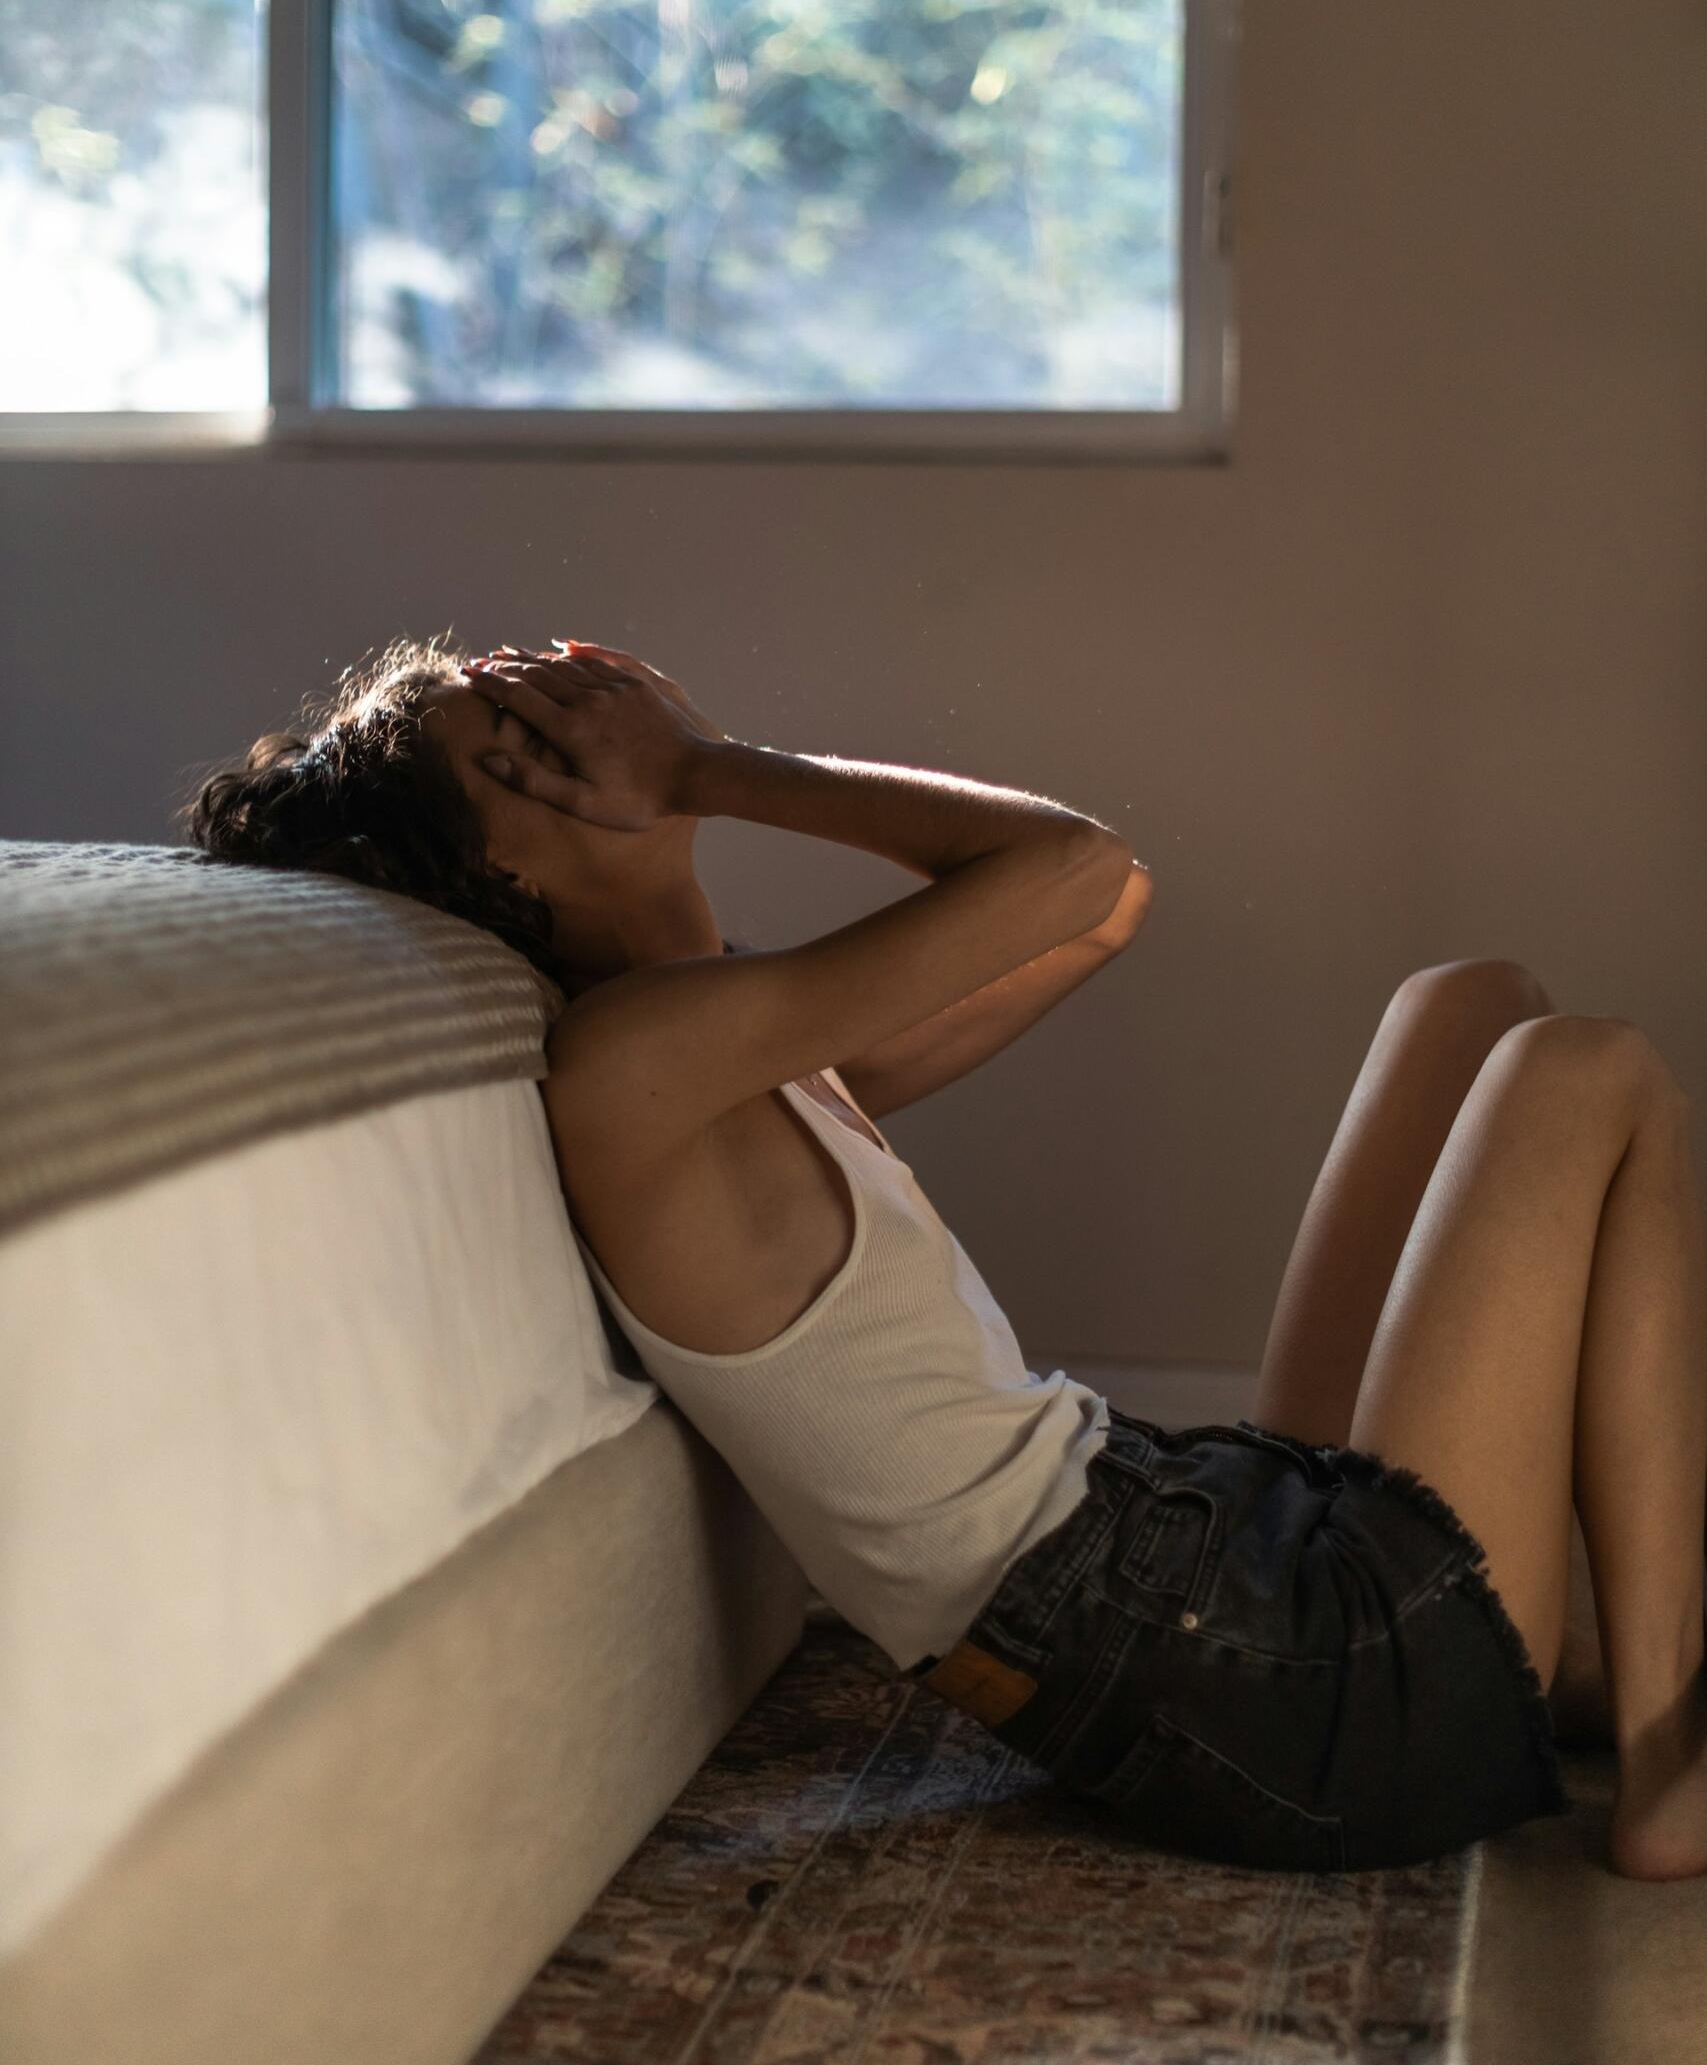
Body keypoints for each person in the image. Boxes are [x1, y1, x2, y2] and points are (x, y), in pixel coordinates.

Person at [183, 634, 1707, 1880]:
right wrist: (707, 770)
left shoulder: (731, 1040)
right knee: (1582, 1068)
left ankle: (1552, 1678)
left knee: (1472, 999)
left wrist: (679, 760)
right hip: (1250, 1689)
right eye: (520, 733)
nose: (574, 711)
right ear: (502, 870)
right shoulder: (634, 1065)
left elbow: (1099, 907)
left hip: (1201, 1557)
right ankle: (1665, 1757)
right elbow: (1068, 863)